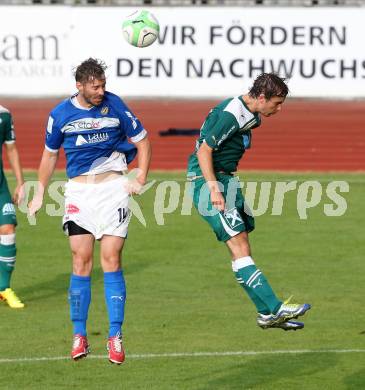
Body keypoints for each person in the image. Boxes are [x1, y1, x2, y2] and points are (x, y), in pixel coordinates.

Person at [28, 58, 151, 364]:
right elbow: (49, 155)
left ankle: (114, 334)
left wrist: (141, 176)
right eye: (95, 86)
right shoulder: (60, 115)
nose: (100, 91)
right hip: (80, 192)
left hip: (113, 190)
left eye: (103, 85)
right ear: (79, 86)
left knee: (111, 258)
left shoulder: (115, 105)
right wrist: (40, 191)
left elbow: (143, 141)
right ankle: (79, 335)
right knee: (80, 260)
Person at [187, 73, 311, 331]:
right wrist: (213, 189)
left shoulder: (250, 115)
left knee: (241, 246)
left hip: (226, 181)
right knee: (239, 246)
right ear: (262, 97)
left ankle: (266, 314)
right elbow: (203, 150)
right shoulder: (231, 114)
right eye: (277, 103)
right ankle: (274, 307)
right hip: (209, 182)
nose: (279, 108)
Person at [0, 105, 25, 309]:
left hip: (0, 187)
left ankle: (4, 288)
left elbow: (12, 149)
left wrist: (20, 182)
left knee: (8, 229)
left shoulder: (4, 114)